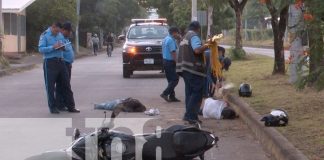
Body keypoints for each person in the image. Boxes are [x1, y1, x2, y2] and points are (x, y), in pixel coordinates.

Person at [38, 22, 80, 114]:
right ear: (53, 27)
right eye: (56, 31)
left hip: (61, 61)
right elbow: (41, 49)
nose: (58, 33)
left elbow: (62, 44)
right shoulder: (44, 35)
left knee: (66, 84)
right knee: (50, 86)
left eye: (59, 32)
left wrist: (62, 48)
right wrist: (53, 47)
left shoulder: (60, 35)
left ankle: (71, 106)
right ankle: (53, 107)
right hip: (50, 62)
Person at [179, 21, 210, 124]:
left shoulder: (185, 36)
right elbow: (197, 50)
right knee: (197, 93)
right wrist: (208, 45)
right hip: (194, 69)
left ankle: (188, 115)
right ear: (198, 29)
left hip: (185, 69)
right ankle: (191, 116)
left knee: (190, 93)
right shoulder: (194, 36)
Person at [56, 22, 75, 111]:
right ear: (64, 30)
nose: (70, 33)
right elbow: (60, 51)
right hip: (63, 64)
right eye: (69, 31)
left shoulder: (66, 39)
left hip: (68, 64)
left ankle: (61, 103)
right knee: (64, 85)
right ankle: (65, 104)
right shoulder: (60, 38)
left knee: (63, 84)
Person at [160, 27, 181, 102]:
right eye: (177, 33)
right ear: (174, 32)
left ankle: (172, 96)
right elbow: (173, 52)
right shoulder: (171, 40)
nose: (178, 34)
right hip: (170, 62)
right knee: (175, 79)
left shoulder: (166, 39)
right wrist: (177, 62)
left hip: (165, 61)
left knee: (170, 80)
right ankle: (165, 93)